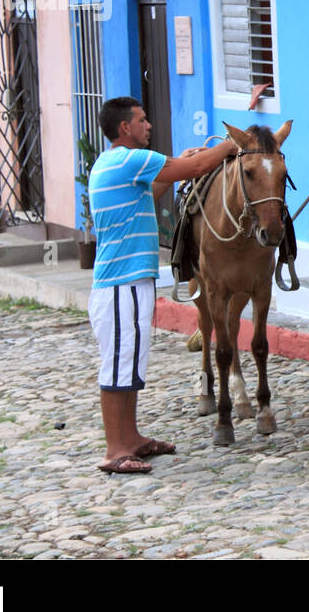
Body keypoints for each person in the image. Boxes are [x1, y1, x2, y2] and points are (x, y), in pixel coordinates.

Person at [88, 96, 238, 474]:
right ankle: (114, 450)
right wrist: (235, 142)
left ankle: (132, 438)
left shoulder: (116, 164)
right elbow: (202, 164)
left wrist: (180, 165)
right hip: (121, 283)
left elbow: (153, 191)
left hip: (128, 282)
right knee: (118, 367)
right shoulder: (130, 159)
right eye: (142, 120)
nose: (148, 125)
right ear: (125, 127)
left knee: (131, 364)